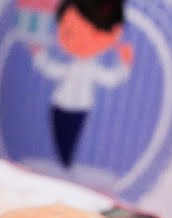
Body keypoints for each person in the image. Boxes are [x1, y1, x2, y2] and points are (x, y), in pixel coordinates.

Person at [31, 0, 133, 168]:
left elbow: (111, 78)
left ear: (114, 34)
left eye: (93, 33)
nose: (80, 41)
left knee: (71, 136)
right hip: (60, 103)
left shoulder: (92, 68)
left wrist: (125, 65)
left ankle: (66, 164)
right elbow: (53, 69)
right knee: (59, 134)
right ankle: (62, 163)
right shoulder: (73, 65)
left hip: (80, 107)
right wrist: (39, 55)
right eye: (69, 32)